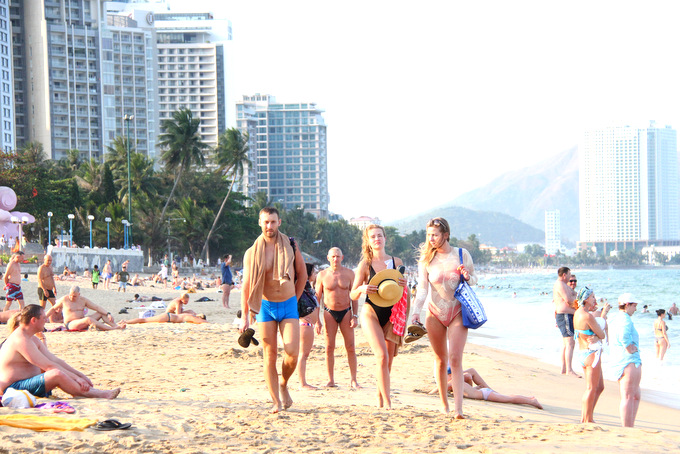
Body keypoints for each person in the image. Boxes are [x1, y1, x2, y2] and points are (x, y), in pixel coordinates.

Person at [240, 207, 307, 413]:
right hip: (265, 306)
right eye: (266, 222)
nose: (269, 226)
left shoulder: (291, 246)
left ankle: (284, 384)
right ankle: (276, 401)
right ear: (260, 223)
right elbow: (247, 284)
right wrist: (245, 316)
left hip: (288, 305)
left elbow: (302, 275)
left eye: (273, 222)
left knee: (292, 352)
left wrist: (294, 299)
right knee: (269, 354)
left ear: (279, 222)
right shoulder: (252, 252)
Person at [411, 217, 475, 417]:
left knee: (455, 359)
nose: (431, 238)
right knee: (440, 359)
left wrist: (467, 276)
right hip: (434, 314)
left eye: (435, 235)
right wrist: (415, 313)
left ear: (445, 235)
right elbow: (422, 290)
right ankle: (444, 404)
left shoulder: (462, 254)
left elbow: (474, 280)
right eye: (428, 235)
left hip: (457, 312)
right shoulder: (426, 259)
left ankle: (458, 409)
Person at [0, 305, 121, 399]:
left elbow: (54, 360)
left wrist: (80, 375)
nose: (47, 320)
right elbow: (48, 366)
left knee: (57, 371)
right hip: (13, 388)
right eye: (43, 318)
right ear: (33, 320)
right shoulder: (20, 339)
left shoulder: (32, 338)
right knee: (56, 374)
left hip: (26, 384)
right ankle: (95, 394)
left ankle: (85, 391)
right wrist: (77, 379)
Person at [350, 224, 408, 410]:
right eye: (373, 236)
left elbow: (402, 291)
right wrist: (361, 288)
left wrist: (404, 283)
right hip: (371, 312)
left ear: (385, 238)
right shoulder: (365, 265)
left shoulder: (396, 262)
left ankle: (380, 394)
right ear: (368, 241)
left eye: (380, 235)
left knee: (388, 361)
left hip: (393, 314)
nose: (377, 239)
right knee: (381, 356)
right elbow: (352, 294)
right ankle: (388, 403)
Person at [316, 247, 359, 389]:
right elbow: (317, 298)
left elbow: (354, 297)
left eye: (338, 256)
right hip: (329, 312)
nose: (335, 259)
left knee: (351, 346)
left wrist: (355, 315)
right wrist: (317, 320)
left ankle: (353, 380)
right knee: (329, 347)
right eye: (333, 256)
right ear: (328, 258)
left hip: (346, 312)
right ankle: (330, 380)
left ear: (342, 257)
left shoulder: (350, 274)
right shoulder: (322, 275)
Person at [429, 367, 542, 409]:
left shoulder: (454, 381)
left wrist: (429, 393)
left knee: (508, 398)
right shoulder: (457, 382)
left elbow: (440, 388)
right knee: (507, 398)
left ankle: (531, 401)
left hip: (485, 394)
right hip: (482, 393)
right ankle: (530, 399)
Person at [573, 287, 607, 423]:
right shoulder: (588, 316)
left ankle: (586, 416)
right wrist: (598, 338)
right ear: (586, 299)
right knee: (591, 388)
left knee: (599, 387)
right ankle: (587, 419)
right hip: (591, 354)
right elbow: (602, 334)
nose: (594, 299)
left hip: (582, 352)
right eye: (592, 297)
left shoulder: (577, 313)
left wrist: (597, 337)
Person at [609, 293, 642, 427]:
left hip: (620, 360)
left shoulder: (615, 318)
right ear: (627, 305)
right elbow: (623, 336)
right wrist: (629, 347)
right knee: (628, 396)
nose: (635, 309)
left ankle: (629, 425)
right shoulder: (625, 319)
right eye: (634, 306)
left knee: (634, 395)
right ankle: (627, 427)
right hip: (628, 361)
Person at [46, 285, 126, 331]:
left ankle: (115, 326)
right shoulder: (65, 299)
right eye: (70, 295)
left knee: (100, 313)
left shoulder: (83, 300)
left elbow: (96, 307)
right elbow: (53, 309)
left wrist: (108, 313)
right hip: (70, 324)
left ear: (79, 294)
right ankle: (112, 329)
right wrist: (44, 317)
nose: (71, 297)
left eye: (74, 296)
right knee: (88, 319)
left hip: (81, 320)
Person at [553, 266, 580, 377]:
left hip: (566, 315)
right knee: (570, 342)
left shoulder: (563, 285)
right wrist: (580, 306)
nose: (570, 277)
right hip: (564, 315)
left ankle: (564, 369)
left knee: (566, 343)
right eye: (569, 274)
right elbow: (568, 300)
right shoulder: (560, 284)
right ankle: (569, 370)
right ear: (564, 275)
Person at [299, 263, 321, 389]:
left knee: (303, 354)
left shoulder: (307, 287)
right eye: (314, 271)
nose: (315, 274)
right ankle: (302, 383)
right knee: (303, 354)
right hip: (304, 324)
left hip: (308, 324)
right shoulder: (302, 287)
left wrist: (317, 321)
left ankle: (303, 382)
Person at [125, 294, 208, 325]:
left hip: (169, 317)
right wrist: (208, 322)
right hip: (168, 316)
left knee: (144, 320)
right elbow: (201, 321)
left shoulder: (190, 314)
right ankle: (126, 322)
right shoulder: (191, 315)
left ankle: (126, 321)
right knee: (144, 320)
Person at [36, 254, 62, 323]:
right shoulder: (41, 268)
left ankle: (53, 319)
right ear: (44, 260)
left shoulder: (50, 267)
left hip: (50, 289)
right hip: (42, 289)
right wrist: (44, 290)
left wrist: (54, 288)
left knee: (56, 305)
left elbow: (51, 278)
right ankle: (40, 320)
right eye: (48, 261)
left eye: (50, 260)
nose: (49, 262)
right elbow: (39, 280)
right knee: (42, 307)